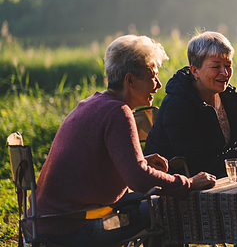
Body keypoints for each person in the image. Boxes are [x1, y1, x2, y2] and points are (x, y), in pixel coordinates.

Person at [31, 35, 216, 247]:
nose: (159, 84)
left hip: (47, 222)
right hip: (74, 227)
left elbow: (96, 163)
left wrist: (141, 160)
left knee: (156, 205)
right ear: (130, 80)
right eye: (153, 76)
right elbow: (139, 179)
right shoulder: (117, 112)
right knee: (167, 211)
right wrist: (188, 182)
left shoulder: (92, 103)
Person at [144, 31, 237, 178]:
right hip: (175, 186)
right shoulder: (178, 105)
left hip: (217, 179)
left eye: (228, 65)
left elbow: (232, 144)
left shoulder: (229, 97)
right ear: (195, 70)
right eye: (216, 66)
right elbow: (197, 165)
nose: (225, 72)